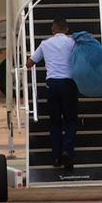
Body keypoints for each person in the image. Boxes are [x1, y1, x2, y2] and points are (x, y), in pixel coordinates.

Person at [26, 17, 77, 170]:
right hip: (69, 84)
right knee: (71, 120)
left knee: (55, 123)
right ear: (67, 29)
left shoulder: (45, 44)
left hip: (52, 84)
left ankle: (56, 157)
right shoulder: (72, 42)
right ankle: (67, 151)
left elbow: (29, 63)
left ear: (53, 29)